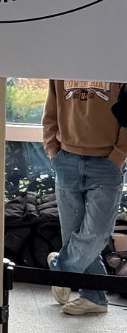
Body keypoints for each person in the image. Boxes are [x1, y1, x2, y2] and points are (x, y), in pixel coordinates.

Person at [43, 78, 127, 316]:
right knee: (73, 233)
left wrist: (118, 156)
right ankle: (95, 297)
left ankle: (61, 267)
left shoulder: (118, 63)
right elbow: (51, 110)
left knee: (97, 233)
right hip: (66, 158)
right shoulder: (61, 67)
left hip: (106, 162)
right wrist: (52, 149)